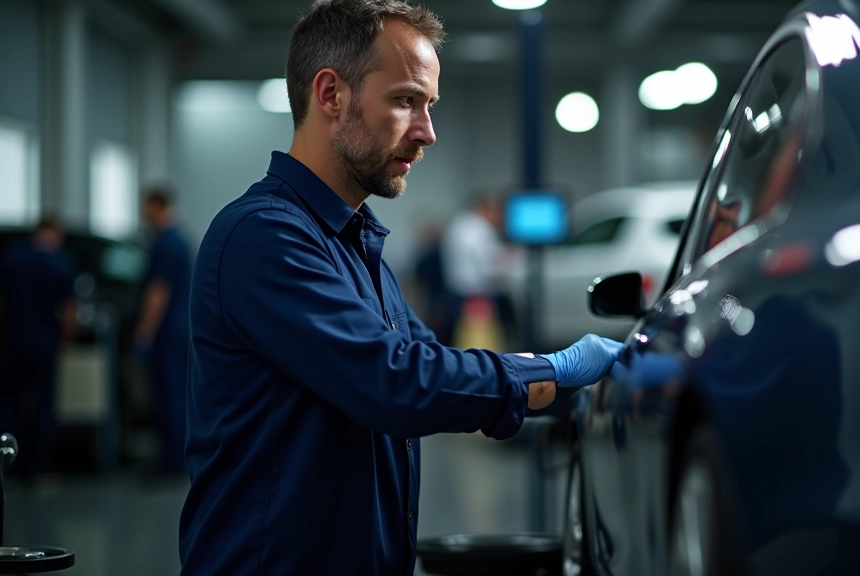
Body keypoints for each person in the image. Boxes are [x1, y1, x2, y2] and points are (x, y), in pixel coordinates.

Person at [177, 1, 622, 574]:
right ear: (331, 95)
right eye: (406, 100)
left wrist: (594, 382)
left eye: (429, 105)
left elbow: (433, 364)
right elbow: (394, 381)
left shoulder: (354, 243)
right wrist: (551, 370)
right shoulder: (263, 236)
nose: (428, 132)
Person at [0, 216, 77, 479]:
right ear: (53, 233)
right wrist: (66, 341)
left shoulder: (10, 259)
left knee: (10, 405)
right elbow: (68, 310)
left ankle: (8, 468)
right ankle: (40, 470)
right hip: (45, 345)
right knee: (44, 407)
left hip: (12, 344)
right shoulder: (60, 263)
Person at [135, 189, 192, 476]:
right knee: (176, 396)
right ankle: (175, 458)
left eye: (145, 207)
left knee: (169, 397)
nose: (142, 213)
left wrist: (145, 331)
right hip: (180, 330)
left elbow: (158, 292)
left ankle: (172, 462)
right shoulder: (178, 240)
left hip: (168, 334)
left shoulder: (166, 244)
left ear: (157, 206)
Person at [441, 195, 519, 349]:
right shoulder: (479, 229)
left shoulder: (460, 224)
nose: (499, 217)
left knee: (463, 344)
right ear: (485, 209)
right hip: (476, 297)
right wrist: (510, 258)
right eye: (496, 211)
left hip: (459, 294)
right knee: (481, 348)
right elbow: (489, 266)